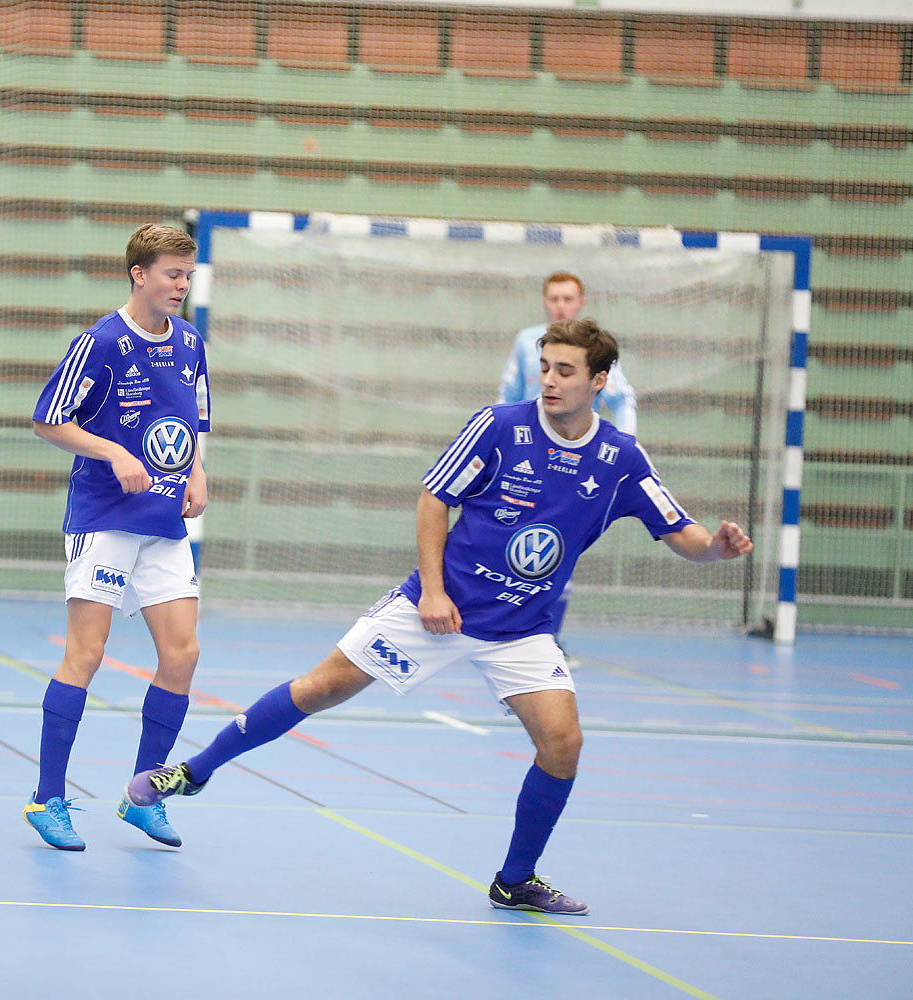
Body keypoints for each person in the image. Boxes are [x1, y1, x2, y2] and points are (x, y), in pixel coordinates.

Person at [125, 319, 751, 914]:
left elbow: (680, 531)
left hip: (521, 630)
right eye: (545, 368)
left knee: (563, 745)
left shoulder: (620, 459)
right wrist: (431, 590)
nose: (551, 380)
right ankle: (192, 771)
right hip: (438, 611)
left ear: (599, 382)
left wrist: (715, 548)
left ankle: (514, 881)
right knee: (319, 688)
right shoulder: (499, 428)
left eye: (565, 370)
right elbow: (434, 498)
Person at [24, 223, 210, 851]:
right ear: (139, 274)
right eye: (171, 274)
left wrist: (199, 471)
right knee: (88, 654)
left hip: (165, 523)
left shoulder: (190, 342)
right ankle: (48, 798)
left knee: (182, 655)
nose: (182, 285)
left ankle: (145, 796)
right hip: (104, 519)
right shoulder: (100, 342)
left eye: (187, 275)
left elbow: (190, 419)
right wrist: (112, 452)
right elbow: (48, 420)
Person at [498, 271, 638, 647]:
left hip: (572, 466)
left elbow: (621, 398)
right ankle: (498, 631)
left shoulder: (592, 354)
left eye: (568, 298)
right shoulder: (527, 342)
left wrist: (625, 449)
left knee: (559, 550)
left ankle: (546, 639)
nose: (561, 305)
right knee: (503, 544)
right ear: (545, 302)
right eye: (555, 298)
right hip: (525, 461)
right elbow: (507, 396)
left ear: (581, 303)